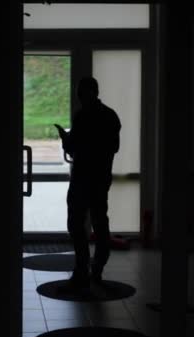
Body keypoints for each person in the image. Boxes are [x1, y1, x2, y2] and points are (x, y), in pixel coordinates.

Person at [55, 76, 121, 292]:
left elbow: (74, 148)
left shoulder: (82, 117)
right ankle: (97, 268)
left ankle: (82, 270)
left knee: (76, 223)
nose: (79, 96)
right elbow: (113, 148)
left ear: (89, 92)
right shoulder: (111, 117)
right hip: (101, 179)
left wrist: (66, 139)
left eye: (80, 92)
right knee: (100, 223)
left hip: (82, 178)